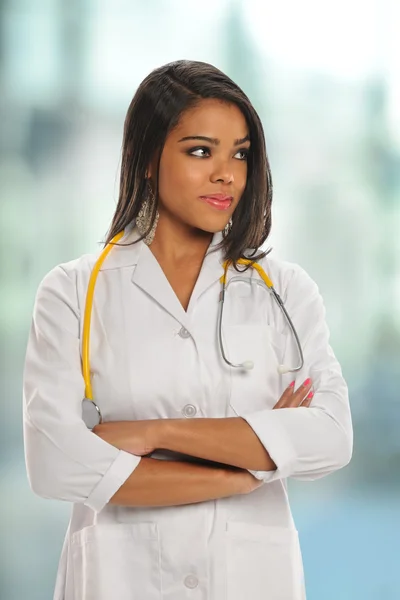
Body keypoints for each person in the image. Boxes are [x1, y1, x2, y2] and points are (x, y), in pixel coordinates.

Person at [22, 59, 353, 600]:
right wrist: (246, 470)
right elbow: (56, 465)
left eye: (240, 153)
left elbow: (331, 438)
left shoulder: (286, 292)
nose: (226, 173)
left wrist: (156, 433)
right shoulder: (72, 292)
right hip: (118, 579)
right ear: (147, 158)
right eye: (201, 151)